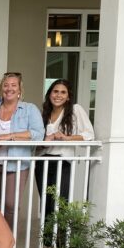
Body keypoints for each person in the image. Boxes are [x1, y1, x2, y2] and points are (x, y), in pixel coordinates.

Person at [36, 79, 94, 235]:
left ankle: (60, 241)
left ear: (68, 96)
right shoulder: (44, 114)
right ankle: (47, 243)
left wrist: (67, 138)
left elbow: (89, 134)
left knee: (60, 201)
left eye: (63, 92)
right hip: (43, 161)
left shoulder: (75, 110)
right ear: (50, 94)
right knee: (46, 201)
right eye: (55, 91)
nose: (58, 95)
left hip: (63, 161)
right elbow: (38, 141)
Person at [0, 72, 44, 227]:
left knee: (11, 205)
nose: (9, 88)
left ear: (20, 89)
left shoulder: (29, 109)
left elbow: (38, 135)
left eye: (13, 85)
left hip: (16, 164)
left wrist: (9, 136)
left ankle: (8, 241)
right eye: (6, 85)